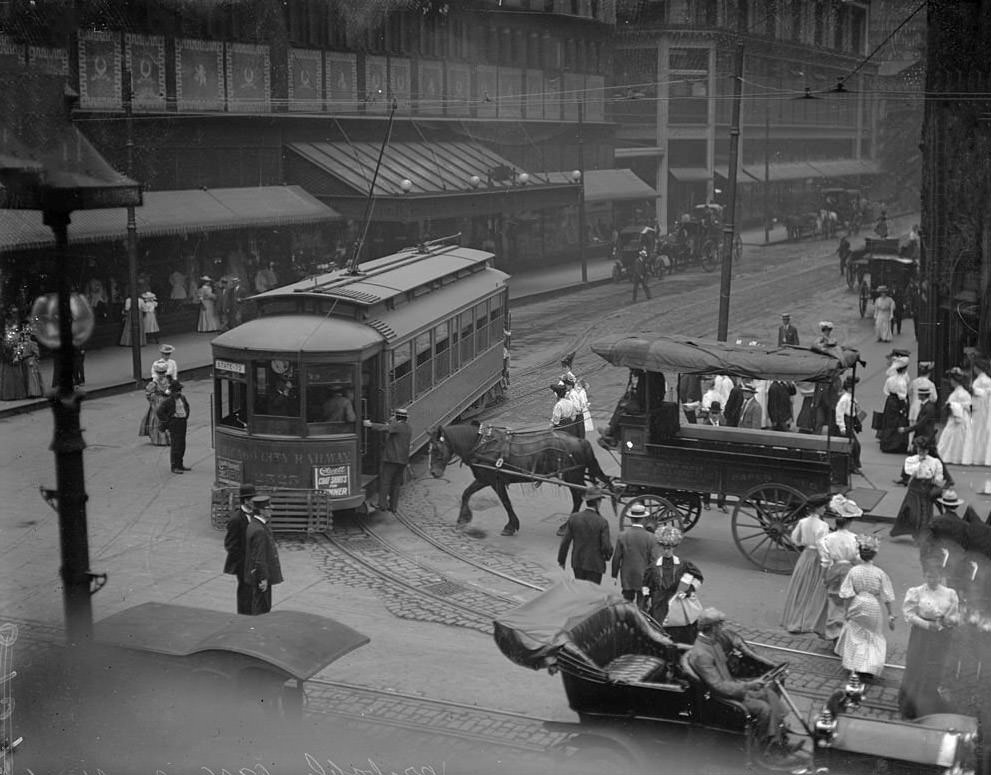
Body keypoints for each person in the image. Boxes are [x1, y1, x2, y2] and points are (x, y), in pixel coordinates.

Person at [687, 608, 804, 763]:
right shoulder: (702, 654)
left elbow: (729, 647)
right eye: (720, 625)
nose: (722, 628)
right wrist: (748, 686)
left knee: (769, 693)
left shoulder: (712, 641)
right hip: (724, 697)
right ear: (713, 627)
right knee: (764, 709)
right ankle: (765, 752)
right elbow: (718, 686)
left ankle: (778, 740)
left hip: (733, 688)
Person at [898, 562, 960, 719]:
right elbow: (909, 614)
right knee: (916, 665)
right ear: (924, 576)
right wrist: (927, 625)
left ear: (941, 576)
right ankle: (910, 705)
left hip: (941, 637)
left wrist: (946, 620)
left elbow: (955, 616)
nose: (933, 579)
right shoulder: (916, 592)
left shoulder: (950, 593)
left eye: (936, 576)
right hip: (921, 635)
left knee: (935, 667)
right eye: (929, 576)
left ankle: (929, 704)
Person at [835, 535, 896, 682]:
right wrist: (890, 614)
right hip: (872, 605)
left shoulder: (854, 571)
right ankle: (868, 667)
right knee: (872, 635)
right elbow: (887, 595)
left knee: (855, 634)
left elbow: (846, 593)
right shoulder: (879, 573)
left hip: (857, 602)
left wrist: (846, 611)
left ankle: (854, 664)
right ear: (874, 554)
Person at [642, 525, 703, 644]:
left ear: (674, 547)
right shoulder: (652, 567)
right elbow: (645, 586)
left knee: (681, 636)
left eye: (669, 548)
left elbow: (698, 578)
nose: (666, 551)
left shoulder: (684, 565)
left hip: (678, 605)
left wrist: (688, 591)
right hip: (659, 606)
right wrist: (645, 602)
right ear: (660, 547)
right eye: (664, 548)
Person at [781, 493, 831, 635]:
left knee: (801, 585)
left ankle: (795, 616)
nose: (824, 509)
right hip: (816, 557)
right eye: (823, 507)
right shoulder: (823, 525)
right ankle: (807, 618)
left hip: (805, 555)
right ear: (818, 508)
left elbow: (795, 539)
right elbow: (823, 546)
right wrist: (827, 562)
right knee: (813, 587)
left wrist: (806, 543)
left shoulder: (803, 522)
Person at [818, 494, 863, 641]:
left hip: (834, 570)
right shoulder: (855, 538)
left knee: (833, 601)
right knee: (848, 603)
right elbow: (857, 559)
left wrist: (824, 576)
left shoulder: (827, 539)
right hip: (849, 571)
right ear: (850, 522)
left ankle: (833, 632)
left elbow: (825, 561)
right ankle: (845, 634)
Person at [890, 436, 946, 539]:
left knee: (925, 513)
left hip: (927, 489)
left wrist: (937, 480)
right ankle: (913, 533)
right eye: (920, 450)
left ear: (928, 450)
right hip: (915, 489)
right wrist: (920, 463)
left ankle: (922, 535)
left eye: (924, 450)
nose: (921, 452)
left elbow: (939, 475)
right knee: (912, 511)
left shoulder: (935, 461)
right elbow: (908, 471)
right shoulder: (911, 460)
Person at [557, 486, 613, 585]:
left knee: (580, 592)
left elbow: (565, 542)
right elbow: (606, 546)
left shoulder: (574, 518)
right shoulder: (602, 522)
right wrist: (607, 556)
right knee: (592, 594)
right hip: (595, 564)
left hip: (578, 562)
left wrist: (561, 560)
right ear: (598, 502)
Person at [364, 407, 412, 512]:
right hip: (403, 460)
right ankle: (393, 506)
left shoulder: (397, 426)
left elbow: (385, 428)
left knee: (385, 481)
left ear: (396, 417)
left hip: (391, 460)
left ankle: (382, 504)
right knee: (396, 483)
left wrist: (370, 425)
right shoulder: (408, 427)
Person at [243, 495, 284, 615]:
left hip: (255, 574)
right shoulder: (259, 530)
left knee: (260, 605)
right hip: (260, 578)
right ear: (261, 510)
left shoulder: (254, 525)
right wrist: (263, 578)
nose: (271, 511)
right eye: (268, 508)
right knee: (262, 608)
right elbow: (259, 558)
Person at [610, 503, 658, 604]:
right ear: (644, 519)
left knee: (627, 603)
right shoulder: (651, 537)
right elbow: (654, 560)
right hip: (644, 577)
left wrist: (614, 575)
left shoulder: (622, 536)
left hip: (627, 576)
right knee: (642, 604)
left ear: (631, 519)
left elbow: (616, 558)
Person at [224, 483, 255, 614]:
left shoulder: (255, 515)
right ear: (246, 500)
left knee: (253, 592)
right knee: (245, 592)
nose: (254, 503)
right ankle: (243, 616)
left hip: (254, 562)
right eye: (252, 500)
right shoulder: (236, 519)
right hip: (243, 564)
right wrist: (244, 560)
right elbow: (230, 544)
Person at [937, 367, 972, 465]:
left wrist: (954, 405)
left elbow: (969, 406)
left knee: (956, 436)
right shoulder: (958, 392)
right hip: (955, 415)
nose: (950, 382)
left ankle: (955, 456)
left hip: (960, 416)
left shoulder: (961, 393)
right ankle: (952, 456)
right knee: (951, 436)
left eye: (952, 379)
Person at [156, 380, 191, 474]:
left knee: (182, 444)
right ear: (173, 391)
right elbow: (159, 412)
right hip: (174, 423)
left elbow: (187, 407)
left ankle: (180, 464)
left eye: (180, 390)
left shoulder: (182, 398)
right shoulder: (168, 401)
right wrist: (168, 421)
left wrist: (186, 416)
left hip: (182, 422)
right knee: (176, 445)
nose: (179, 392)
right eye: (177, 391)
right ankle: (174, 466)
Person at [878, 360, 910, 454]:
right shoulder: (902, 382)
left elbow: (886, 390)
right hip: (898, 401)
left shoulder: (890, 379)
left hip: (890, 401)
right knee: (899, 422)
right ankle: (896, 445)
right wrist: (903, 407)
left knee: (889, 422)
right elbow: (902, 395)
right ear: (904, 370)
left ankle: (886, 444)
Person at [965, 358, 991, 466]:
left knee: (980, 432)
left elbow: (987, 393)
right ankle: (976, 456)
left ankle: (979, 456)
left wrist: (975, 391)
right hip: (977, 408)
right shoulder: (980, 379)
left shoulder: (985, 380)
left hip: (982, 409)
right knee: (977, 432)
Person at [835, 375, 862, 473]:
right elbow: (839, 413)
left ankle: (853, 465)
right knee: (853, 445)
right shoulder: (844, 399)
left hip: (850, 420)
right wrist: (842, 427)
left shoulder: (851, 397)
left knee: (854, 445)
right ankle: (851, 466)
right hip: (846, 422)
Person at [141, 363, 172, 446]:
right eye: (160, 373)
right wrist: (154, 398)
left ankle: (169, 439)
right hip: (157, 403)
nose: (161, 375)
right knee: (157, 420)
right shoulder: (154, 383)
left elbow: (171, 390)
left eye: (163, 373)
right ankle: (158, 439)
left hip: (167, 402)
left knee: (168, 419)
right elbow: (148, 393)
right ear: (157, 373)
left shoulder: (167, 381)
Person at [562, 374, 589, 439]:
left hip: (577, 416)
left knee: (578, 433)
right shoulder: (570, 393)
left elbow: (577, 407)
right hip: (576, 415)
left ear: (570, 385)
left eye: (566, 385)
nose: (565, 386)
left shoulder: (572, 394)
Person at [20, 328, 43, 398]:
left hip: (31, 361)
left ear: (30, 336)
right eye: (24, 336)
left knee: (32, 377)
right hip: (24, 362)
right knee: (26, 377)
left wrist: (33, 360)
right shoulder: (21, 345)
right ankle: (28, 393)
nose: (26, 337)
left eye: (27, 335)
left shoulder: (33, 343)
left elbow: (37, 353)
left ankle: (35, 393)